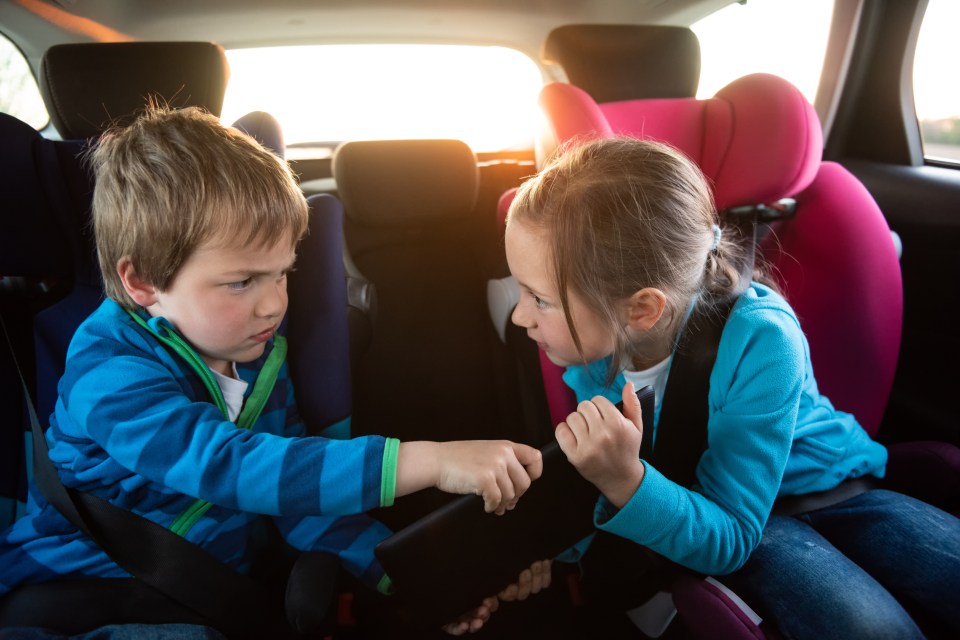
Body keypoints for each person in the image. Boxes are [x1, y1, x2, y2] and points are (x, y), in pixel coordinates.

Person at [0, 105, 543, 636]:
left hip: (208, 595)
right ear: (143, 283)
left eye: (282, 274)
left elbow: (299, 497)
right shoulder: (110, 373)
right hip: (86, 594)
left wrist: (409, 584)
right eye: (242, 282)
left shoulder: (257, 357)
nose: (273, 305)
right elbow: (230, 466)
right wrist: (431, 461)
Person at [503, 136, 960, 638]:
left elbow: (722, 530)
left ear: (641, 310)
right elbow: (714, 528)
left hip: (834, 490)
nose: (520, 315)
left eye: (539, 299)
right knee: (873, 629)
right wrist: (546, 552)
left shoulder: (763, 338)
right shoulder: (590, 359)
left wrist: (624, 480)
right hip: (750, 526)